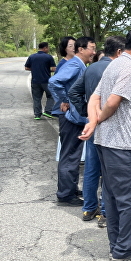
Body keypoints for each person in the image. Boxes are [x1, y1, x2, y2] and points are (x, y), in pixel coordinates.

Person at [80, 27, 131, 261]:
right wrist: (97, 120)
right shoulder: (130, 67)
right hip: (121, 144)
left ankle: (117, 246)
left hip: (104, 141)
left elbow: (94, 98)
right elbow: (112, 101)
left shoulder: (113, 63)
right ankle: (125, 250)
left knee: (112, 196)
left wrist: (93, 122)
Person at [69, 36, 125, 226]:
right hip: (110, 125)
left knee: (92, 168)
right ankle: (106, 213)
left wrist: (88, 113)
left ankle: (88, 208)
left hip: (92, 125)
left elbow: (73, 93)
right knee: (108, 169)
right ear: (119, 52)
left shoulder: (90, 68)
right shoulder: (117, 69)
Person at [48, 36, 96, 206]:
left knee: (73, 154)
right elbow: (54, 82)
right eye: (91, 48)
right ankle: (66, 194)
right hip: (70, 117)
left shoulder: (79, 65)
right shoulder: (75, 65)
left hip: (75, 117)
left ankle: (71, 188)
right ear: (81, 49)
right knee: (69, 154)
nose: (94, 52)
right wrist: (64, 100)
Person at [25, 42, 56, 120]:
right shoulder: (48, 57)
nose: (48, 49)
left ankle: (37, 115)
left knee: (36, 98)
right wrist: (46, 70)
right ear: (45, 48)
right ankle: (48, 111)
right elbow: (53, 69)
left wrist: (35, 69)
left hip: (35, 81)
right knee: (51, 95)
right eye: (48, 48)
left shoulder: (32, 57)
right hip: (46, 81)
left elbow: (26, 68)